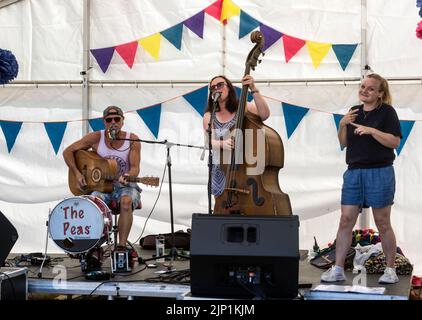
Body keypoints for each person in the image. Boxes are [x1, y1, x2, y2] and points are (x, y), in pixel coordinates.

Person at [321, 73, 402, 284]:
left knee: (382, 222)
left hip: (380, 171)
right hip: (354, 171)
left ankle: (390, 269)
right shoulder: (353, 112)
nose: (364, 90)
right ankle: (338, 268)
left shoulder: (387, 112)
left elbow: (394, 141)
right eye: (363, 86)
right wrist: (341, 125)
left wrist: (372, 130)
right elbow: (345, 143)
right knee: (346, 219)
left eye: (370, 88)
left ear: (380, 94)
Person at [63, 106, 142, 250]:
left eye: (117, 119)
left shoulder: (132, 139)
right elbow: (68, 152)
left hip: (125, 185)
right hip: (101, 186)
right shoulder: (96, 137)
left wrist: (129, 175)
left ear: (123, 121)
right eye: (109, 119)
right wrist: (77, 173)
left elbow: (135, 167)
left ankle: (121, 248)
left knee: (126, 201)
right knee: (92, 204)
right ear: (104, 122)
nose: (113, 122)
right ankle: (93, 246)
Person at [202, 74, 270, 197]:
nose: (216, 88)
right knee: (221, 207)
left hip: (244, 168)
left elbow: (264, 114)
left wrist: (253, 89)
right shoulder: (209, 115)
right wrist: (223, 143)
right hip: (220, 170)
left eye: (220, 85)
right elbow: (208, 143)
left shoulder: (243, 107)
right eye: (213, 87)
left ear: (229, 88)